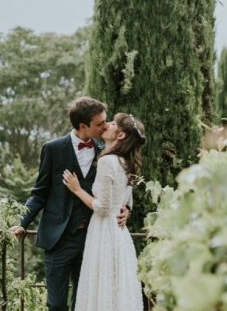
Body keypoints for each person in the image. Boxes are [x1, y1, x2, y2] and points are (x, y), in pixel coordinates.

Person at [10, 96, 129, 311]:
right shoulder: (53, 148)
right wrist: (22, 222)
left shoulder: (107, 150)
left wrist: (126, 208)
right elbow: (39, 193)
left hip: (93, 238)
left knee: (84, 302)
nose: (105, 126)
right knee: (56, 304)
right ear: (83, 126)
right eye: (100, 123)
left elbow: (123, 186)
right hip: (58, 239)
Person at [63, 112, 146, 311]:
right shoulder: (126, 162)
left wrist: (77, 190)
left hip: (104, 232)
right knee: (116, 288)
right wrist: (126, 209)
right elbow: (125, 200)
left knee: (102, 285)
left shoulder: (108, 161)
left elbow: (102, 207)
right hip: (119, 234)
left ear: (121, 136)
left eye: (113, 123)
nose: (107, 125)